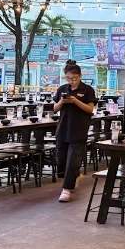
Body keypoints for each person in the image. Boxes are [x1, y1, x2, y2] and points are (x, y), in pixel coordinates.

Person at [53, 60, 97, 202]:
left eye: (74, 78)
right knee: (61, 160)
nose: (71, 81)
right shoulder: (62, 89)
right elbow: (54, 108)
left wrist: (75, 101)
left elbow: (90, 109)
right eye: (68, 78)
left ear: (80, 76)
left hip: (79, 129)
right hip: (63, 128)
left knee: (73, 161)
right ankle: (74, 176)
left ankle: (66, 190)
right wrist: (62, 101)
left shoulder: (87, 90)